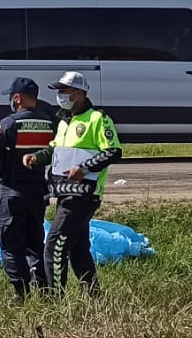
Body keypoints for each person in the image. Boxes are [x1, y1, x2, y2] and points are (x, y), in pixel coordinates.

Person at [23, 71, 121, 297]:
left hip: (84, 194)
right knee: (77, 249)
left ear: (79, 93)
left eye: (64, 91)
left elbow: (113, 151)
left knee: (55, 244)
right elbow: (55, 150)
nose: (60, 96)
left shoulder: (97, 119)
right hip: (65, 191)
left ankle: (54, 298)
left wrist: (84, 168)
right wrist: (37, 157)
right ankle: (95, 296)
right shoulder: (65, 121)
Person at [0, 76, 56, 300]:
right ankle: (44, 289)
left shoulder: (8, 123)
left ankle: (20, 291)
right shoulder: (49, 123)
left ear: (17, 98)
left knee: (10, 241)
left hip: (12, 192)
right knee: (35, 240)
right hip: (37, 191)